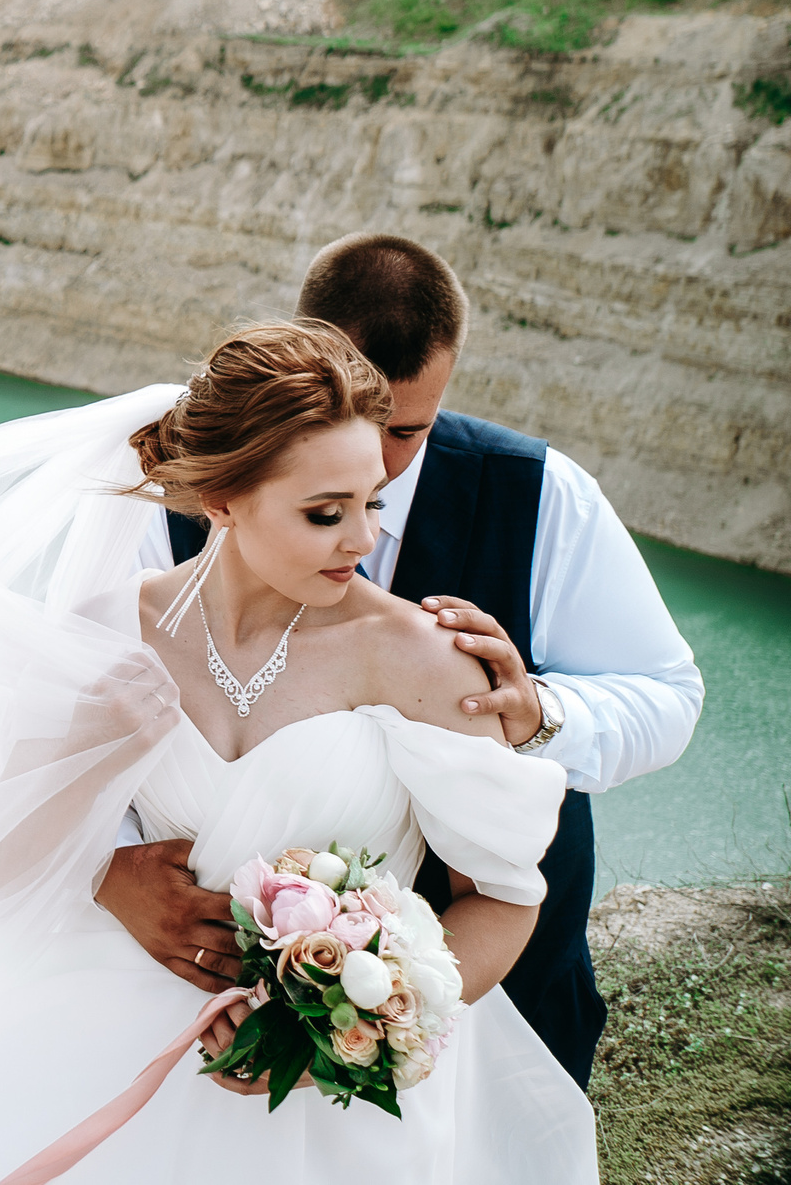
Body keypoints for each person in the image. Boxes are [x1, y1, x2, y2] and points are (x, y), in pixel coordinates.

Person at [0, 321, 596, 1181]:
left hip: (336, 1100)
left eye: (372, 503)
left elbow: (507, 901)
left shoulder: (432, 663)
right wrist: (104, 867)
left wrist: (363, 1028)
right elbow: (13, 870)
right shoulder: (112, 636)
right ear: (222, 499)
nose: (363, 539)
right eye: (326, 512)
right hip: (105, 1008)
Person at [100, 234, 702, 1086]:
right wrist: (106, 869)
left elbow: (668, 694)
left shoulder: (540, 494)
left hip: (483, 999)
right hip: (168, 995)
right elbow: (102, 730)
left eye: (405, 433)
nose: (370, 465)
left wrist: (537, 718)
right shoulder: (180, 498)